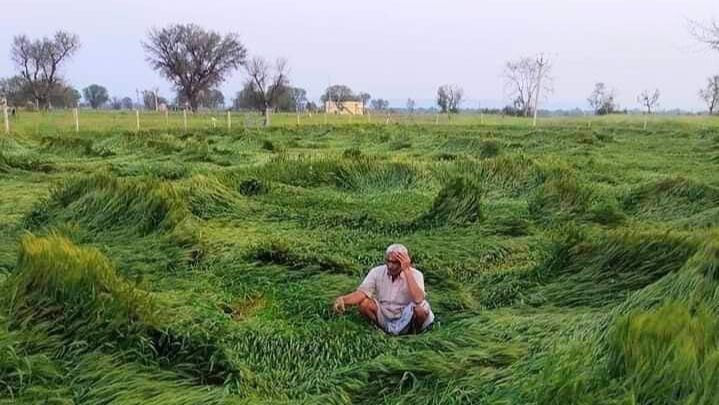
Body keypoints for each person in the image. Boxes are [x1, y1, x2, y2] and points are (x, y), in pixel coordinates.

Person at [333, 243, 434, 335]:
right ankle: (378, 331)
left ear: (404, 263)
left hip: (405, 315)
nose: (390, 266)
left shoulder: (416, 274)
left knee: (421, 309)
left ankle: (413, 334)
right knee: (364, 304)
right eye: (388, 261)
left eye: (395, 262)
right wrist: (343, 300)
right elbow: (362, 293)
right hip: (384, 314)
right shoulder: (377, 272)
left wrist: (407, 270)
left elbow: (418, 299)